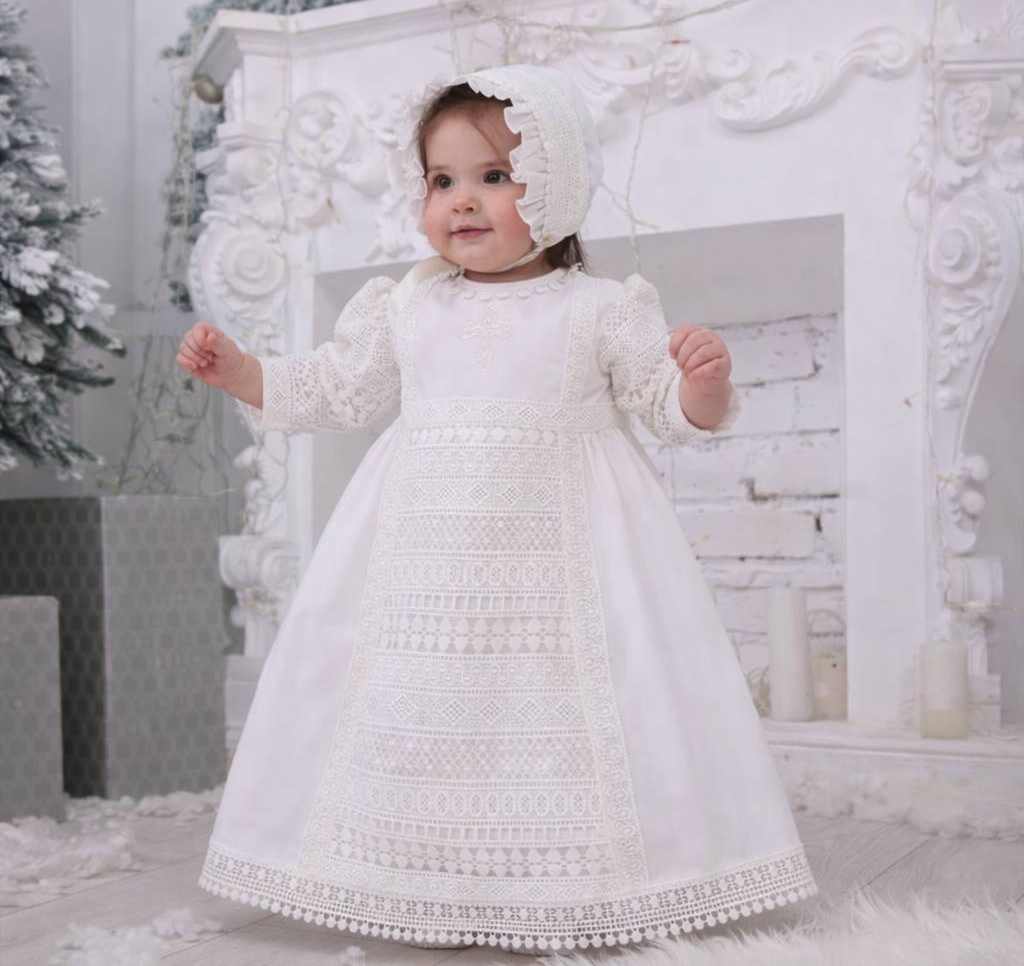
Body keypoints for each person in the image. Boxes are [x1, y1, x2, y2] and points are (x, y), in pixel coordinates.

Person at [177, 63, 817, 956]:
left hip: (566, 554)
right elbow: (337, 389)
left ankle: (573, 877)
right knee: (422, 703)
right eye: (442, 182)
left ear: (555, 187)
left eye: (493, 177)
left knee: (558, 706)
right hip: (424, 558)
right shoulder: (405, 305)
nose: (461, 203)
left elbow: (664, 408)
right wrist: (242, 371)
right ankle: (407, 866)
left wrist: (703, 386)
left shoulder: (601, 308)